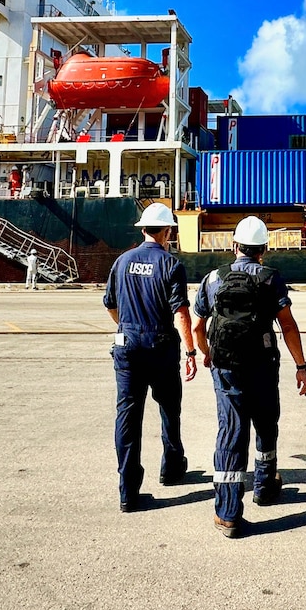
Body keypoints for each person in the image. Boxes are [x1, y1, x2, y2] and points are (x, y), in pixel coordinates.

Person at [193, 216, 306, 538]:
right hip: (262, 365)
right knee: (265, 425)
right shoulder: (271, 279)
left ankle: (228, 513)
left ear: (234, 246)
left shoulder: (212, 279)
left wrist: (206, 353)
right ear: (264, 250)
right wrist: (301, 366)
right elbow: (287, 325)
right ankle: (263, 487)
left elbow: (197, 327)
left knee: (231, 432)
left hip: (226, 368)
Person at [103, 201, 197, 512]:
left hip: (127, 346)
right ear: (167, 230)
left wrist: (127, 328)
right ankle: (171, 467)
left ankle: (128, 492)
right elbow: (181, 312)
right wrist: (191, 351)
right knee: (170, 408)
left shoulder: (122, 261)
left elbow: (110, 304)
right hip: (160, 346)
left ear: (143, 229)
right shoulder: (171, 264)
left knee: (127, 417)